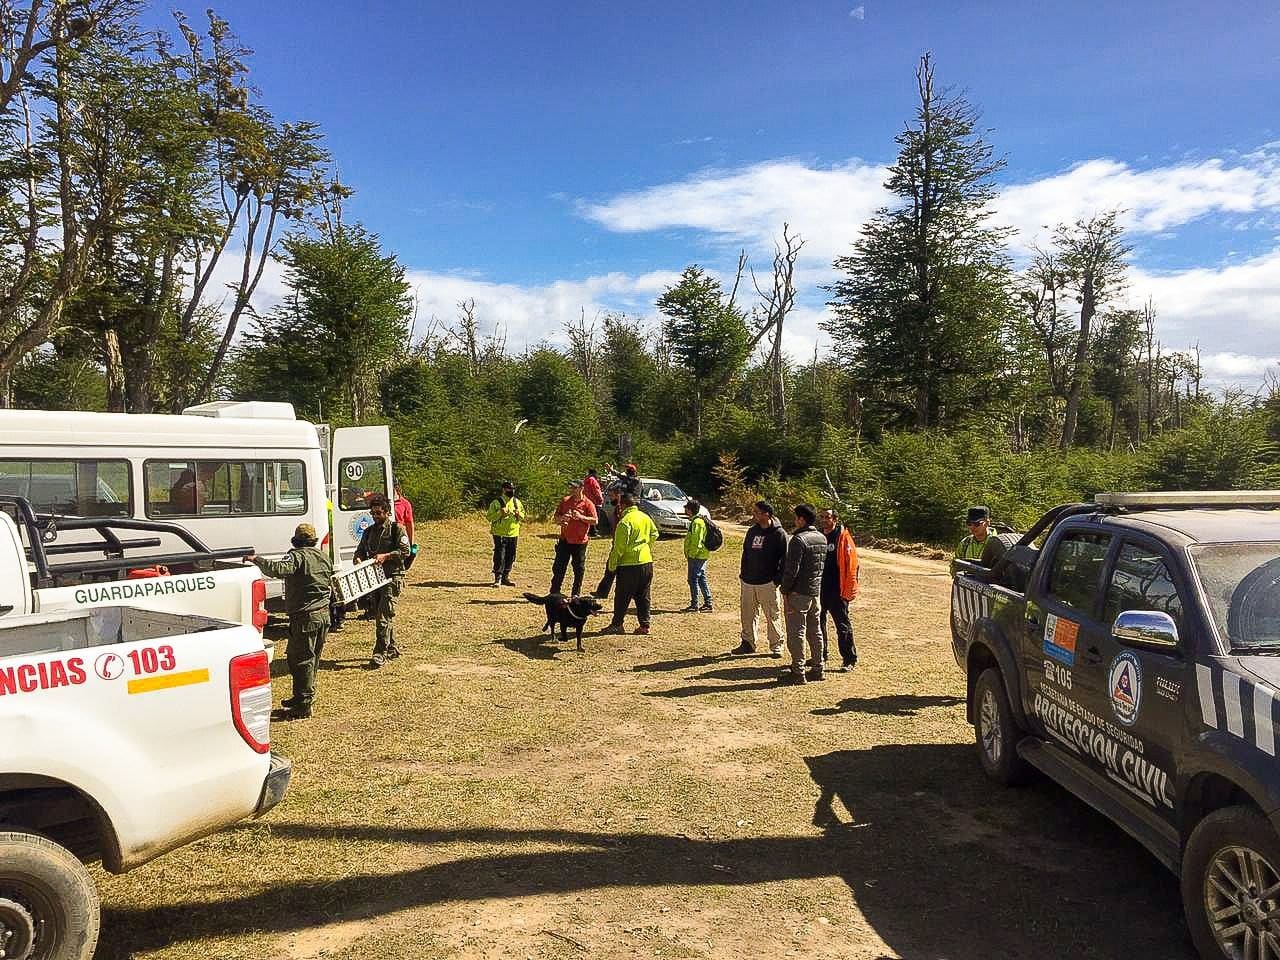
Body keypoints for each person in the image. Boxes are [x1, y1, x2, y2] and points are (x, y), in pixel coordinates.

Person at [244, 522, 333, 718]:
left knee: (300, 660)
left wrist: (256, 559)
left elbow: (279, 569)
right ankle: (302, 696)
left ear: (296, 540)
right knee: (312, 658)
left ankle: (303, 703)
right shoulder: (323, 557)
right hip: (323, 615)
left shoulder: (297, 556)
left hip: (305, 617)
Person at [355, 494, 411, 668]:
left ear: (387, 512)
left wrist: (386, 556)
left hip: (392, 577)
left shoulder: (397, 529)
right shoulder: (369, 531)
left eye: (378, 513)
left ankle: (380, 652)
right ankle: (391, 647)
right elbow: (360, 551)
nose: (375, 516)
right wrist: (358, 559)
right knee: (383, 613)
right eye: (373, 513)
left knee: (383, 616)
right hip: (374, 579)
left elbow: (405, 551)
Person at [732, 500, 788, 656]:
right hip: (748, 581)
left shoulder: (779, 534)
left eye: (757, 512)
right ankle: (748, 643)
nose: (753, 515)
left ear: (767, 514)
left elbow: (785, 560)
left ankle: (777, 646)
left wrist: (776, 580)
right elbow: (746, 553)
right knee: (747, 614)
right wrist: (743, 575)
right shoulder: (752, 531)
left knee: (772, 615)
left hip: (768, 583)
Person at [779, 503, 827, 685]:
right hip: (815, 591)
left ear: (801, 519)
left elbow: (792, 570)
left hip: (798, 592)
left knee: (796, 631)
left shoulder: (798, 540)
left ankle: (798, 671)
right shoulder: (821, 538)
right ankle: (818, 667)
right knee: (815, 631)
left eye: (796, 517)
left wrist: (784, 589)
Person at [600, 491, 658, 635]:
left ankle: (617, 624)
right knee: (643, 595)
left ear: (623, 505)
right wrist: (646, 546)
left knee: (622, 595)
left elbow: (619, 548)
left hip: (629, 565)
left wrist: (612, 566)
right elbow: (654, 533)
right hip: (646, 562)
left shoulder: (625, 522)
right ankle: (645, 625)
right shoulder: (645, 517)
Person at [818, 507, 859, 672]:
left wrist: (849, 590)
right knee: (818, 624)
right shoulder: (818, 536)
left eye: (827, 517)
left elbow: (852, 566)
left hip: (837, 589)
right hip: (819, 588)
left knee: (842, 626)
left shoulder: (842, 537)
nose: (824, 520)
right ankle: (820, 655)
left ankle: (849, 658)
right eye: (822, 517)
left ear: (835, 519)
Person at [550, 477, 597, 596]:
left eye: (574, 487)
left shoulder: (588, 503)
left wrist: (581, 517)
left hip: (580, 542)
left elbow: (595, 521)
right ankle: (554, 591)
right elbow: (556, 517)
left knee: (578, 569)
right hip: (564, 540)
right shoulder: (565, 501)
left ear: (581, 488)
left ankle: (575, 594)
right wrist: (562, 519)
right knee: (559, 567)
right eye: (571, 487)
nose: (571, 489)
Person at [486, 481, 526, 587]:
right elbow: (489, 517)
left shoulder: (517, 502)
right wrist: (500, 513)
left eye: (513, 489)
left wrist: (519, 514)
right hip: (499, 533)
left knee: (511, 555)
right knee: (500, 555)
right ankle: (497, 578)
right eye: (509, 489)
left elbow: (523, 516)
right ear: (503, 489)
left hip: (513, 533)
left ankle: (505, 577)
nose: (511, 491)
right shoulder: (496, 502)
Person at [682, 499, 712, 612]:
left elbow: (696, 541)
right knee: (701, 578)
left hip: (697, 556)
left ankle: (695, 604)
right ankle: (708, 603)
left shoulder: (697, 522)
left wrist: (691, 554)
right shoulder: (698, 521)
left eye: (686, 508)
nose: (685, 510)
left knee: (693, 579)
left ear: (690, 510)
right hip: (701, 555)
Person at [394, 483, 416, 547]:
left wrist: (411, 542)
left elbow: (409, 524)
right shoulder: (382, 501)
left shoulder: (405, 504)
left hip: (399, 535)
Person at [583, 469, 604, 537]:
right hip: (595, 502)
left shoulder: (585, 480)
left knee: (589, 516)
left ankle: (589, 531)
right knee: (595, 517)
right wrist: (600, 499)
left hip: (587, 501)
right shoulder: (593, 480)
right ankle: (594, 532)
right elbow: (596, 490)